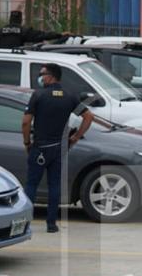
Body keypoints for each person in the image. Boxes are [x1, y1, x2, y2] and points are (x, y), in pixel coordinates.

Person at [22, 62, 93, 233]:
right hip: (59, 148)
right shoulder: (70, 96)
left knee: (31, 184)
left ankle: (24, 223)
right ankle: (51, 224)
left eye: (42, 74)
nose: (39, 77)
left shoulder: (38, 95)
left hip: (39, 147)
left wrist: (27, 143)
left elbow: (25, 122)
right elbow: (89, 117)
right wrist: (75, 138)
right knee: (54, 186)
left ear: (51, 76)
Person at [0, 11, 66, 48]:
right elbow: (41, 35)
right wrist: (59, 35)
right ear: (21, 20)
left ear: (10, 19)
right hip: (15, 60)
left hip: (0, 62)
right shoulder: (23, 31)